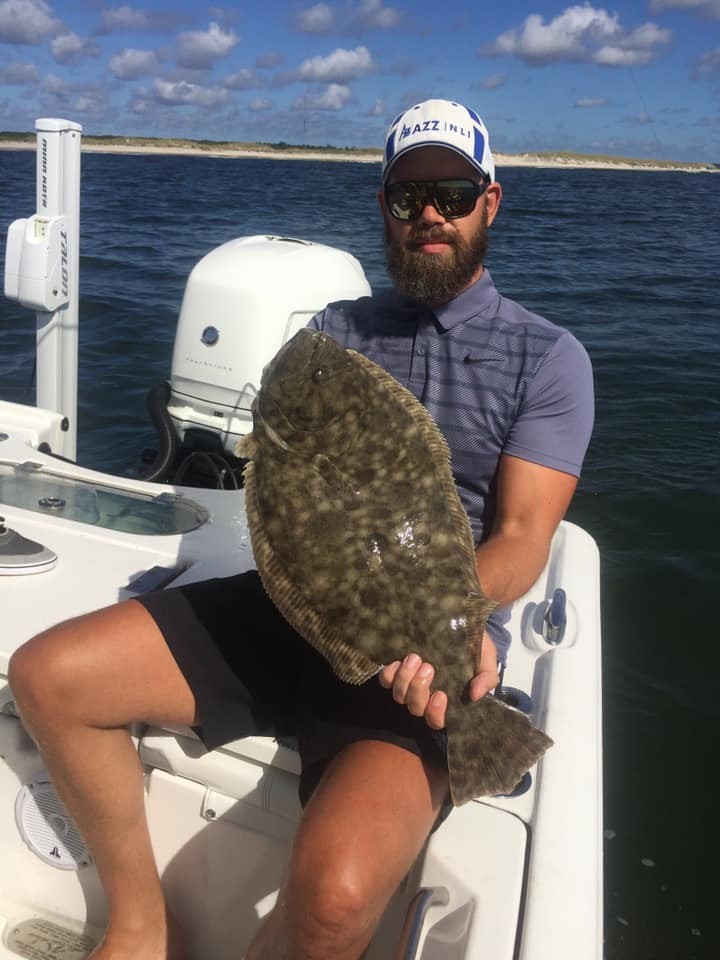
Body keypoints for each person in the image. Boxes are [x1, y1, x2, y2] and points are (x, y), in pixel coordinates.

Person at [8, 98, 593, 960]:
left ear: (489, 202)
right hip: (296, 610)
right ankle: (140, 929)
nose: (429, 212)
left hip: (433, 650)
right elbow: (277, 487)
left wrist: (447, 629)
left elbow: (521, 541)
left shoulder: (547, 359)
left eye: (452, 192)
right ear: (385, 208)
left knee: (333, 898)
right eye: (406, 196)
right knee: (49, 677)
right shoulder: (333, 334)